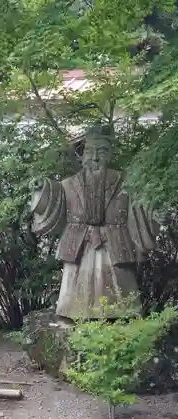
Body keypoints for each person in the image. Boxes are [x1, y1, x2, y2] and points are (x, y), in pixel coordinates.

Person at [30, 123, 162, 320]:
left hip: (116, 241)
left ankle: (122, 312)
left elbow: (142, 206)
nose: (95, 157)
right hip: (78, 241)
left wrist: (154, 213)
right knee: (74, 286)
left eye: (102, 151)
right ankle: (72, 311)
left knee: (120, 287)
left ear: (110, 154)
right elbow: (53, 197)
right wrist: (42, 187)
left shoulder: (126, 182)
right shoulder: (68, 184)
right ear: (83, 156)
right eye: (90, 152)